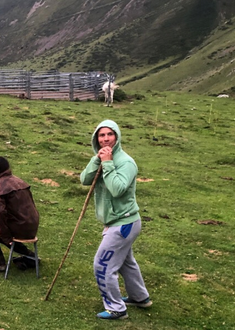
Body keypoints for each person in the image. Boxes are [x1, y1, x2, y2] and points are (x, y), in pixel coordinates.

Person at [80, 119, 151, 320]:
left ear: (117, 136)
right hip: (115, 221)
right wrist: (97, 161)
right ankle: (140, 297)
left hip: (125, 222)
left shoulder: (126, 163)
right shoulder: (101, 157)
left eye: (109, 134)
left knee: (102, 265)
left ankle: (116, 308)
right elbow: (84, 180)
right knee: (126, 263)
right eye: (101, 135)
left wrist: (108, 163)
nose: (105, 139)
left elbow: (118, 190)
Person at [0, 156, 39, 272]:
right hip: (31, 226)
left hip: (18, 228)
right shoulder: (19, 181)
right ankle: (29, 255)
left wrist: (6, 237)